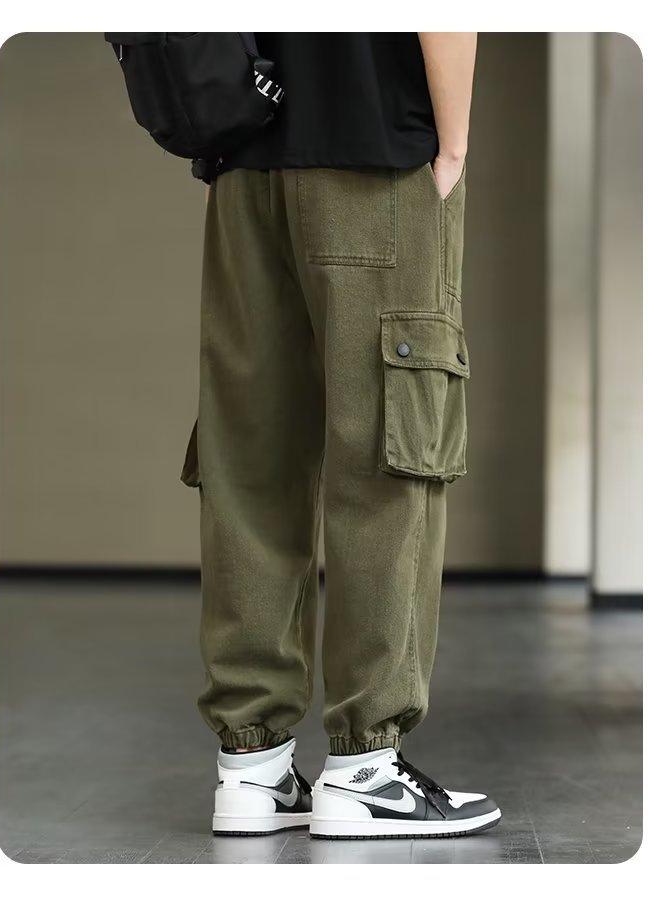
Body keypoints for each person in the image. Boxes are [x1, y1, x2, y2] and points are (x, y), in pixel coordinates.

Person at [181, 32, 500, 839]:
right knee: (389, 451)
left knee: (251, 459)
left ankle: (251, 768)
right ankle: (366, 771)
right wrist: (454, 145)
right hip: (373, 153)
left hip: (244, 162)